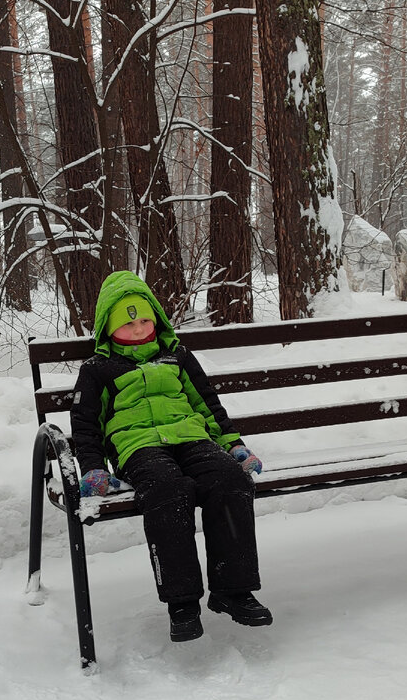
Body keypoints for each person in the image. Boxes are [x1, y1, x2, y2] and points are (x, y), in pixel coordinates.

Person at [71, 270, 271, 643]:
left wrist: (233, 445)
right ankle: (182, 601)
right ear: (109, 328)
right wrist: (94, 468)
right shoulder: (97, 370)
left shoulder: (177, 356)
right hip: (138, 447)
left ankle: (233, 590)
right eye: (128, 323)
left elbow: (206, 404)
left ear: (157, 319)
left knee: (229, 480)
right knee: (167, 490)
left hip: (191, 437)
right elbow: (85, 425)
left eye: (145, 319)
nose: (138, 328)